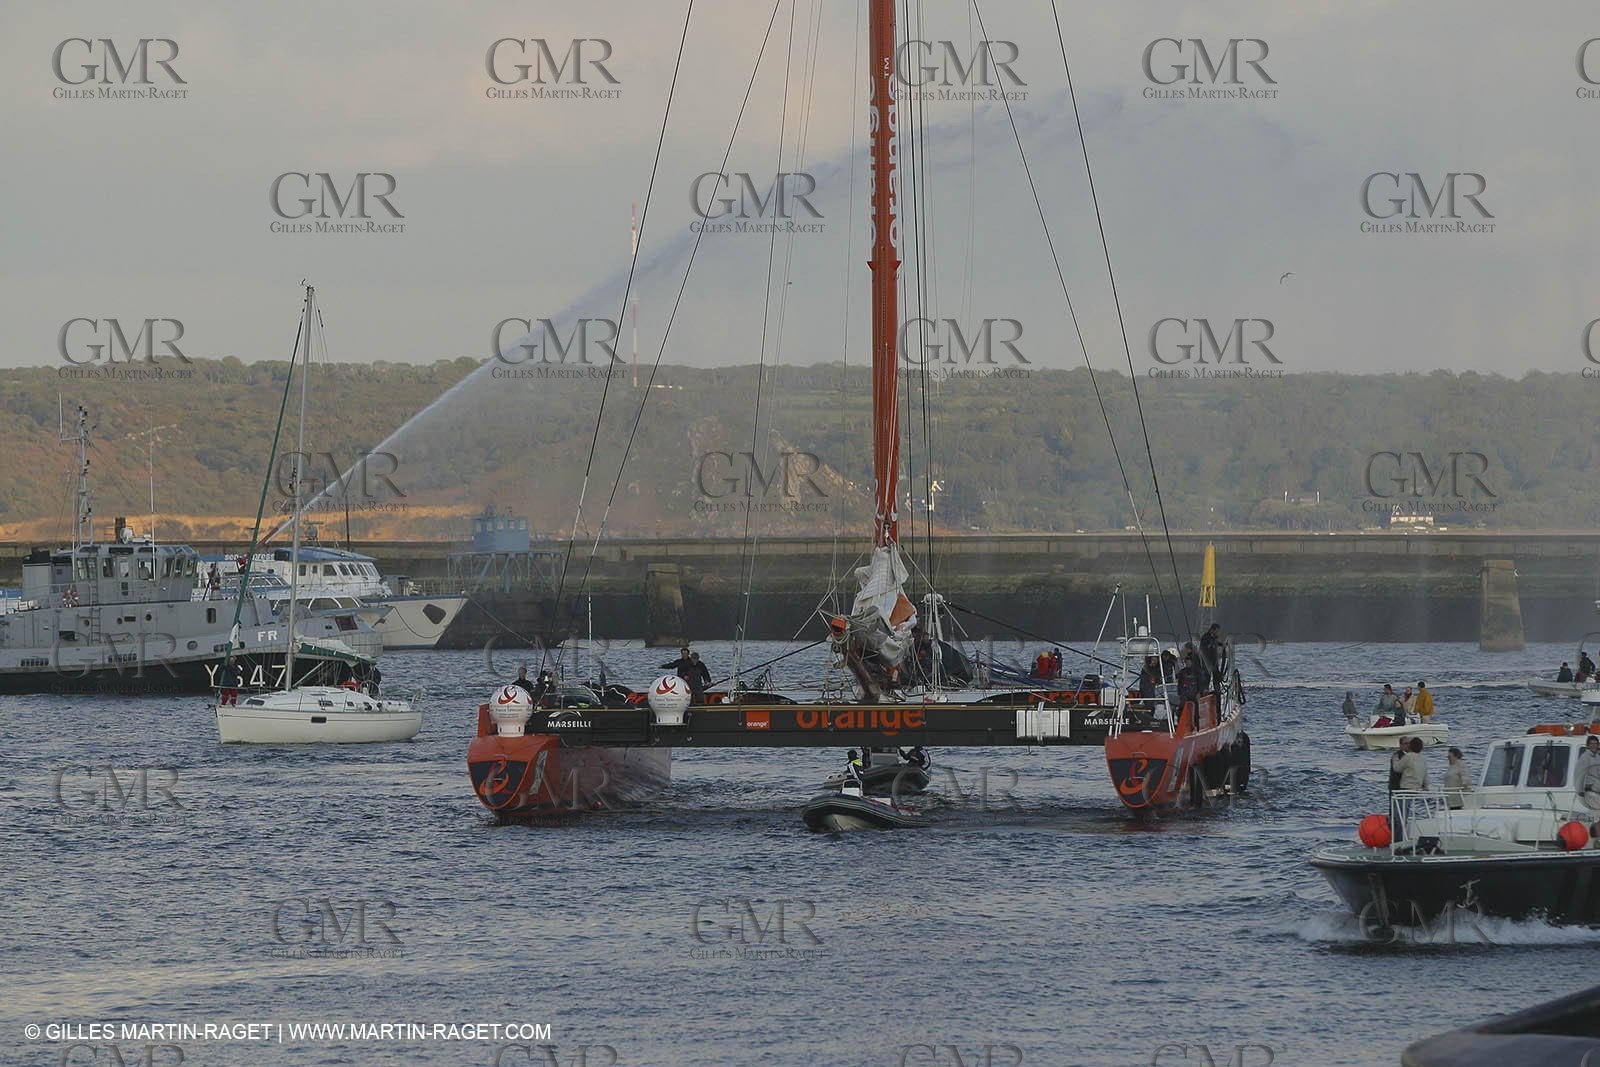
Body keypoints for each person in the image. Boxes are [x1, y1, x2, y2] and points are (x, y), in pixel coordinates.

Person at [1393, 737, 1429, 841]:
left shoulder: (1408, 757)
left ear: (1411, 746)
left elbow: (1397, 768)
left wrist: (1395, 759)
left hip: (1405, 788)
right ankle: (1402, 836)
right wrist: (1425, 785)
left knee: (1399, 815)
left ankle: (1398, 839)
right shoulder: (1422, 759)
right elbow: (1425, 774)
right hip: (1416, 789)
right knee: (1405, 812)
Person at [1199, 623, 1224, 689]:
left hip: (1214, 660)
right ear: (1212, 630)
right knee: (1207, 677)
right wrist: (1209, 647)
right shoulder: (1205, 637)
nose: (1218, 633)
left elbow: (1217, 643)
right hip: (1207, 661)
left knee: (1216, 676)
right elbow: (1202, 647)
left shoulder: (1215, 638)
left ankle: (1217, 690)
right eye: (1217, 631)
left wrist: (1222, 644)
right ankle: (1205, 690)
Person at [1579, 736, 1600, 811]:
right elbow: (1580, 775)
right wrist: (1580, 791)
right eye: (1591, 744)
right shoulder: (1585, 758)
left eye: (1595, 744)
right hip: (1590, 790)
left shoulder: (1597, 757)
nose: (1594, 746)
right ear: (1588, 745)